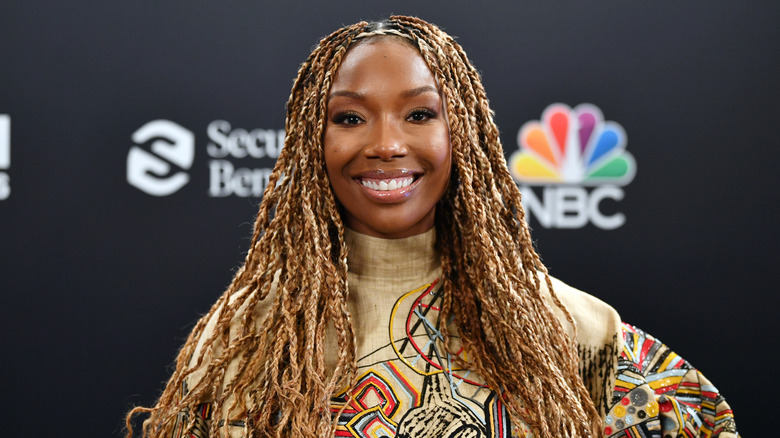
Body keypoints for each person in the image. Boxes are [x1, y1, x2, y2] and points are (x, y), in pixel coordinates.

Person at [126, 16, 738, 438]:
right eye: (350, 117)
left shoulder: (573, 332)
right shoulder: (249, 339)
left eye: (420, 113)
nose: (387, 143)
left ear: (462, 135)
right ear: (313, 140)